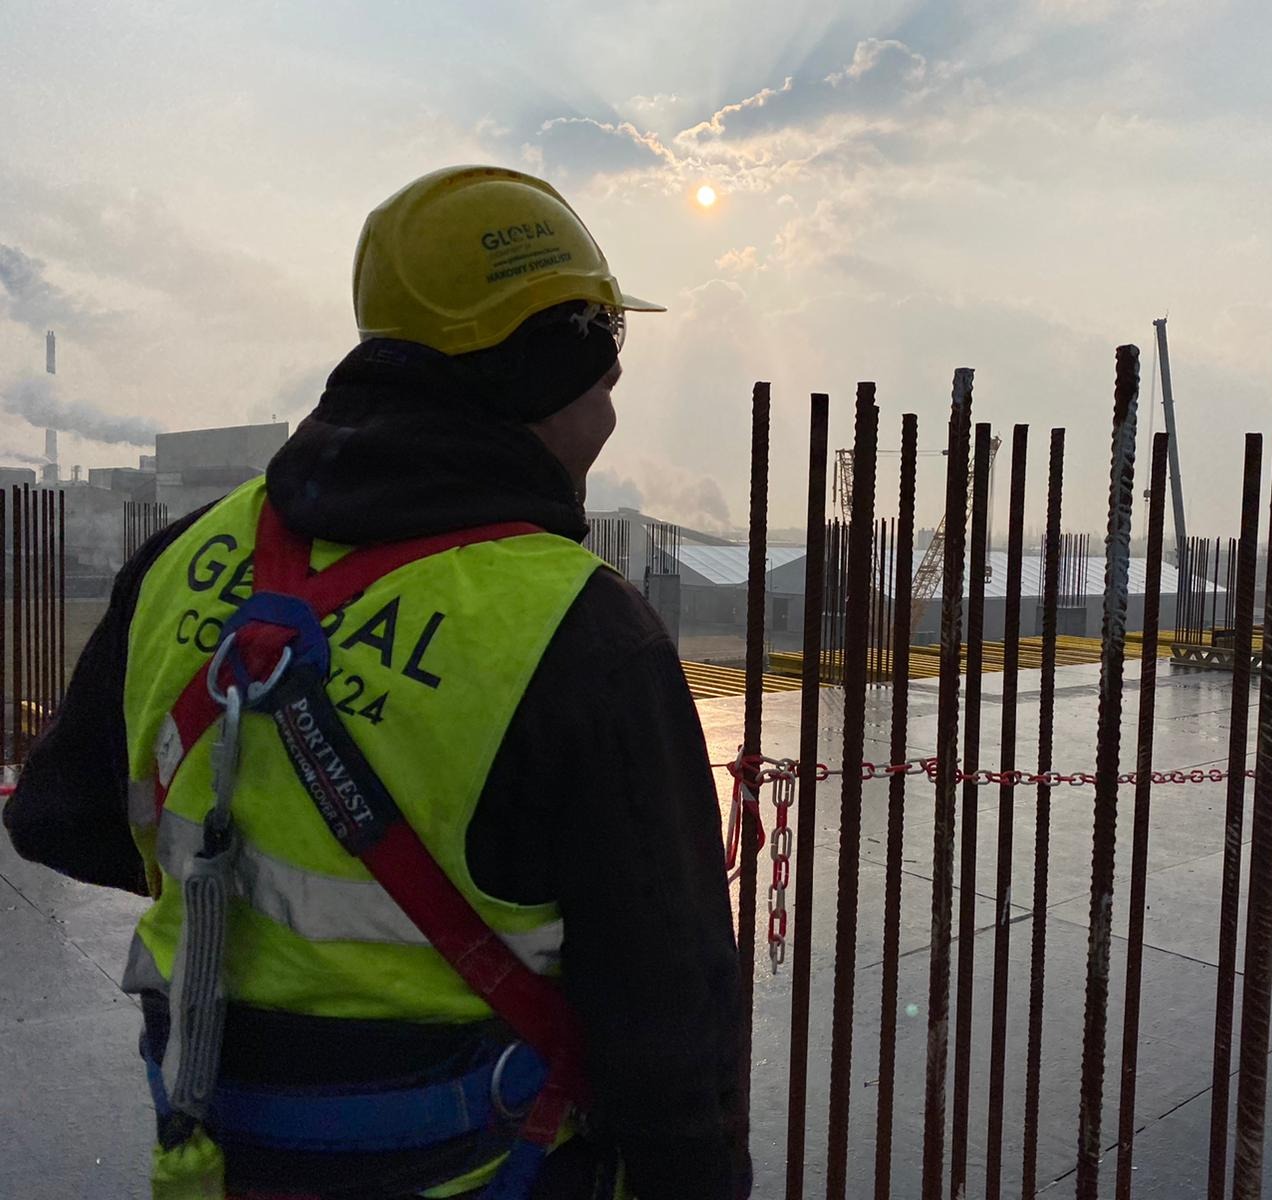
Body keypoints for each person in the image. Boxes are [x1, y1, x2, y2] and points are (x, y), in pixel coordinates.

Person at [4, 165, 749, 1199]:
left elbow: (55, 818)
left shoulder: (183, 559)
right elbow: (670, 1030)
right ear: (551, 369)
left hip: (214, 1159)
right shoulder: (580, 633)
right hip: (483, 1165)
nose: (610, 417)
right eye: (606, 380)